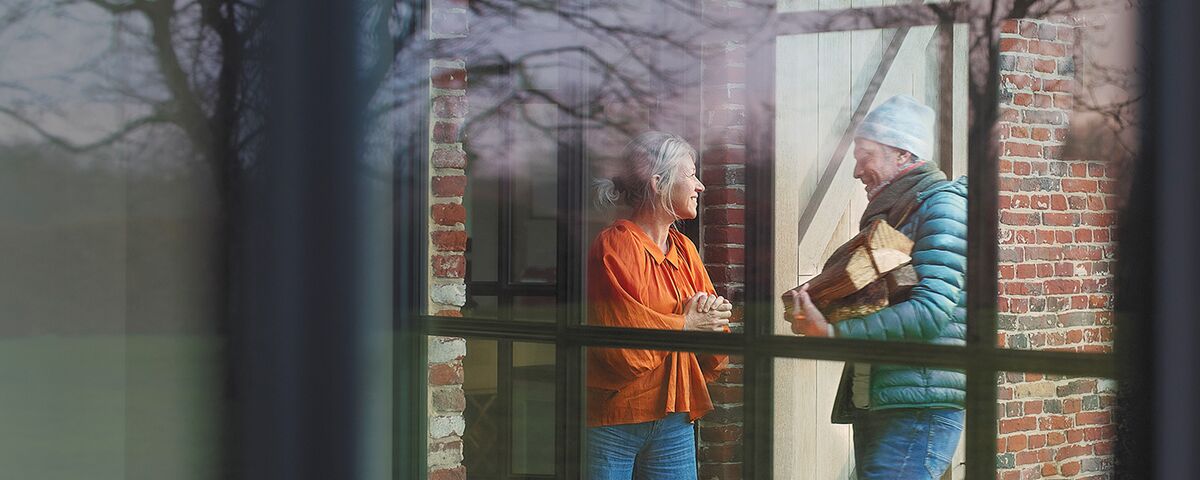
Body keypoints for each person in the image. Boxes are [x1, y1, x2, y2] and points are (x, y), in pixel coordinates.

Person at [789, 95, 968, 479]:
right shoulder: (901, 213)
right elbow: (887, 299)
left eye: (864, 154)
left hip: (918, 406)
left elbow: (931, 310)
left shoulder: (941, 207)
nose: (856, 171)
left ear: (902, 154)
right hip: (885, 398)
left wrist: (834, 332)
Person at [587, 131, 732, 480]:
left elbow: (716, 330)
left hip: (674, 415)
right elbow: (623, 340)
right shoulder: (616, 246)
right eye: (691, 174)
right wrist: (685, 324)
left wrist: (699, 322)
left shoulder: (685, 250)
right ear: (658, 183)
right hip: (615, 418)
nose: (700, 186)